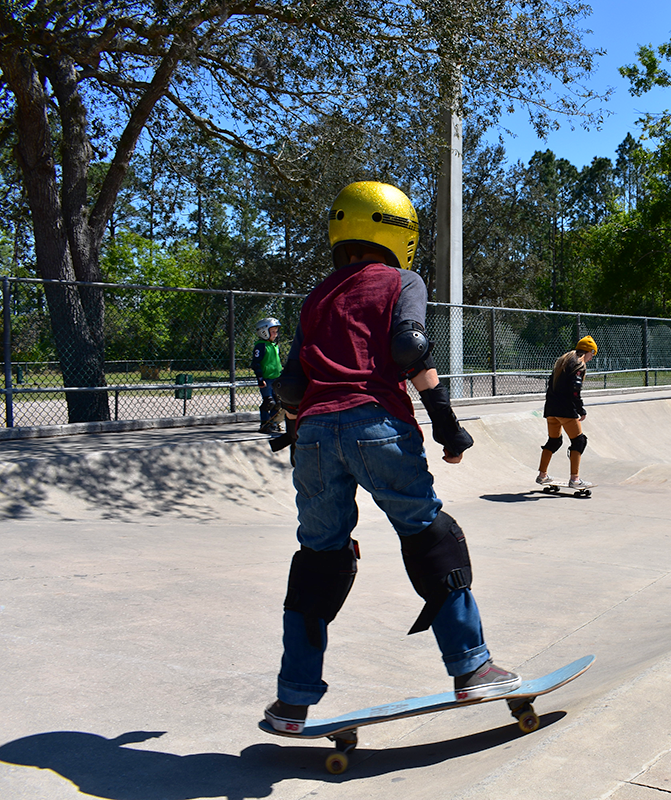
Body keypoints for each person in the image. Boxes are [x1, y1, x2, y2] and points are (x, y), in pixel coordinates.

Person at [262, 181, 520, 734]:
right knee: (430, 534)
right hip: (377, 425)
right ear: (398, 231)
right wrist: (447, 425)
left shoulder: (315, 297)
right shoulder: (402, 281)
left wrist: (295, 434)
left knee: (318, 558)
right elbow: (409, 349)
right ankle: (471, 667)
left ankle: (292, 699)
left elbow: (289, 386)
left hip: (313, 433)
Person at [535, 336, 597, 490]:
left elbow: (551, 385)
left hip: (551, 409)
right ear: (589, 351)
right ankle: (575, 479)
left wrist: (550, 407)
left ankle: (542, 476)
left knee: (554, 441)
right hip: (566, 410)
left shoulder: (562, 362)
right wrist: (580, 409)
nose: (591, 358)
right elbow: (575, 391)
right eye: (593, 354)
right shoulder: (579, 365)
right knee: (579, 441)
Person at [252, 317, 284, 433]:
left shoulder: (274, 346)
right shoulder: (261, 346)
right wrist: (260, 378)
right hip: (266, 379)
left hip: (276, 379)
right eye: (273, 331)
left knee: (278, 403)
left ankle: (273, 424)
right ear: (264, 332)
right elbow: (256, 363)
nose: (276, 334)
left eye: (276, 331)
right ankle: (265, 424)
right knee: (269, 402)